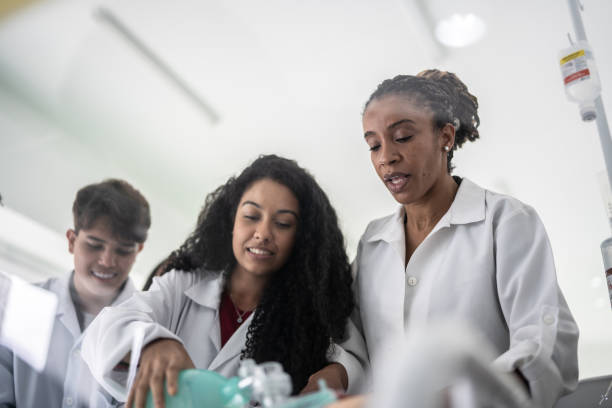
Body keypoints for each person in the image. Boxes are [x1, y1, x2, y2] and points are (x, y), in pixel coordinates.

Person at [346, 70, 579, 408]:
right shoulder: (372, 245)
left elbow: (545, 348)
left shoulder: (505, 222)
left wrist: (444, 400)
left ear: (445, 136)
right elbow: (352, 351)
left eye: (403, 137)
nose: (386, 158)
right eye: (374, 144)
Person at [81, 155, 365, 408]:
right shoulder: (183, 284)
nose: (263, 233)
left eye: (283, 223)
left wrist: (338, 373)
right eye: (251, 216)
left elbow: (353, 365)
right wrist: (152, 343)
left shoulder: (309, 319)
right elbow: (103, 333)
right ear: (232, 219)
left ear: (302, 239)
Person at [0, 179, 151, 407]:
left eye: (122, 250)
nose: (107, 261)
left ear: (138, 250)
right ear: (71, 240)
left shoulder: (148, 330)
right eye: (94, 244)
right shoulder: (22, 304)